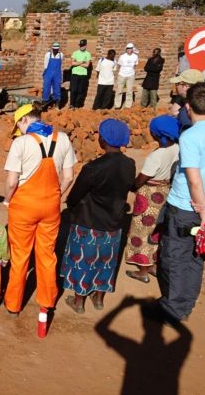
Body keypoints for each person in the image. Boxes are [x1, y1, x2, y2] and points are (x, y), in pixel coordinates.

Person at [151, 83, 205, 325]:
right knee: (196, 255)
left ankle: (173, 309)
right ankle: (186, 303)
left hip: (185, 207)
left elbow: (193, 178)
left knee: (175, 257)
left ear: (188, 106)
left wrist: (201, 209)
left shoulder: (190, 136)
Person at [4, 104, 76, 334]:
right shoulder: (62, 138)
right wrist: (57, 194)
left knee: (20, 256)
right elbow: (69, 176)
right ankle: (46, 302)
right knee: (47, 255)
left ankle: (14, 304)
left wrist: (7, 200)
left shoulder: (21, 143)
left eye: (19, 126)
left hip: (23, 207)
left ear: (24, 120)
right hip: (51, 206)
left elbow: (11, 181)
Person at [61, 119, 135, 313]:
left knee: (83, 260)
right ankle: (99, 298)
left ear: (103, 140)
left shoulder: (93, 168)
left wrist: (71, 205)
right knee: (106, 260)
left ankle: (78, 301)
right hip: (114, 222)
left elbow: (75, 196)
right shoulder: (130, 164)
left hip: (89, 221)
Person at [124, 116, 180, 283]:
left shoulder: (156, 156)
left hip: (149, 194)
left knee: (141, 231)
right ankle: (154, 264)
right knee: (156, 230)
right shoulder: (177, 148)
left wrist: (132, 186)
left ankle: (143, 270)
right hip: (166, 191)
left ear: (156, 135)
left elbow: (141, 179)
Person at [114, 43, 139, 109]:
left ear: (132, 49)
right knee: (119, 90)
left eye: (130, 48)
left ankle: (128, 105)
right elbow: (119, 65)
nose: (128, 50)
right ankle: (117, 105)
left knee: (129, 91)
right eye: (127, 48)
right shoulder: (122, 56)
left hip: (131, 75)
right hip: (122, 74)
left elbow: (135, 65)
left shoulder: (135, 56)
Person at [70, 39, 91, 109]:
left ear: (86, 45)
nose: (81, 47)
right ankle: (71, 104)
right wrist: (82, 62)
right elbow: (72, 63)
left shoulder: (88, 54)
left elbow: (87, 65)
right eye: (80, 45)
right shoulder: (75, 53)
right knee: (73, 90)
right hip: (75, 74)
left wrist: (77, 63)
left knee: (80, 91)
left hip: (83, 74)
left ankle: (77, 105)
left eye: (83, 45)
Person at [42, 42, 64, 106]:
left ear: (58, 49)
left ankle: (57, 105)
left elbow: (60, 65)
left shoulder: (61, 55)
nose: (55, 50)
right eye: (54, 49)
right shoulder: (48, 55)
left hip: (57, 74)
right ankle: (45, 104)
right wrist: (46, 75)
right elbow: (45, 66)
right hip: (48, 73)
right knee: (46, 88)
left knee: (57, 89)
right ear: (52, 48)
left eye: (57, 49)